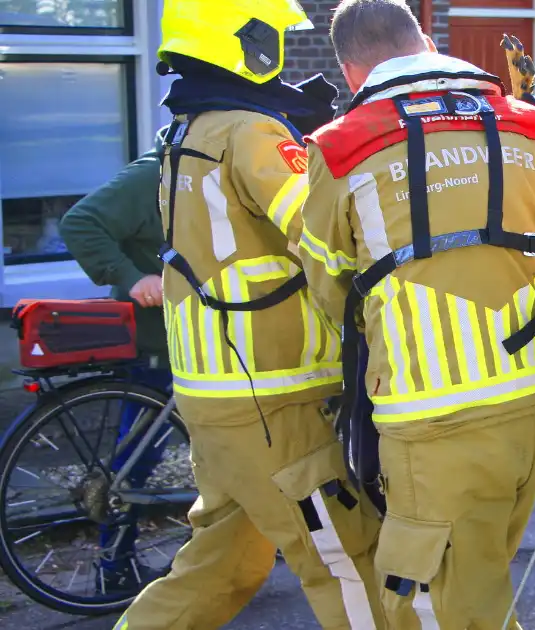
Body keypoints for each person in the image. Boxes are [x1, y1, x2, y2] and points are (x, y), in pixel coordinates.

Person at [297, 0, 535, 626]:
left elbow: (329, 288)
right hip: (529, 404)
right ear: (424, 41)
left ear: (352, 73)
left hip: (427, 416)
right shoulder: (533, 129)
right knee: (480, 587)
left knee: (436, 609)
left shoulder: (341, 150)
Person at [112, 1, 386, 628]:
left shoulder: (186, 130)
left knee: (223, 566)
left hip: (216, 398)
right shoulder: (251, 131)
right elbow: (325, 229)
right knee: (347, 558)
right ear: (245, 40)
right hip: (272, 396)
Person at [59, 125, 174, 594]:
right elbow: (79, 222)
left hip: (188, 337)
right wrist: (131, 278)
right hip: (154, 343)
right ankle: (114, 566)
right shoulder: (151, 176)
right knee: (137, 461)